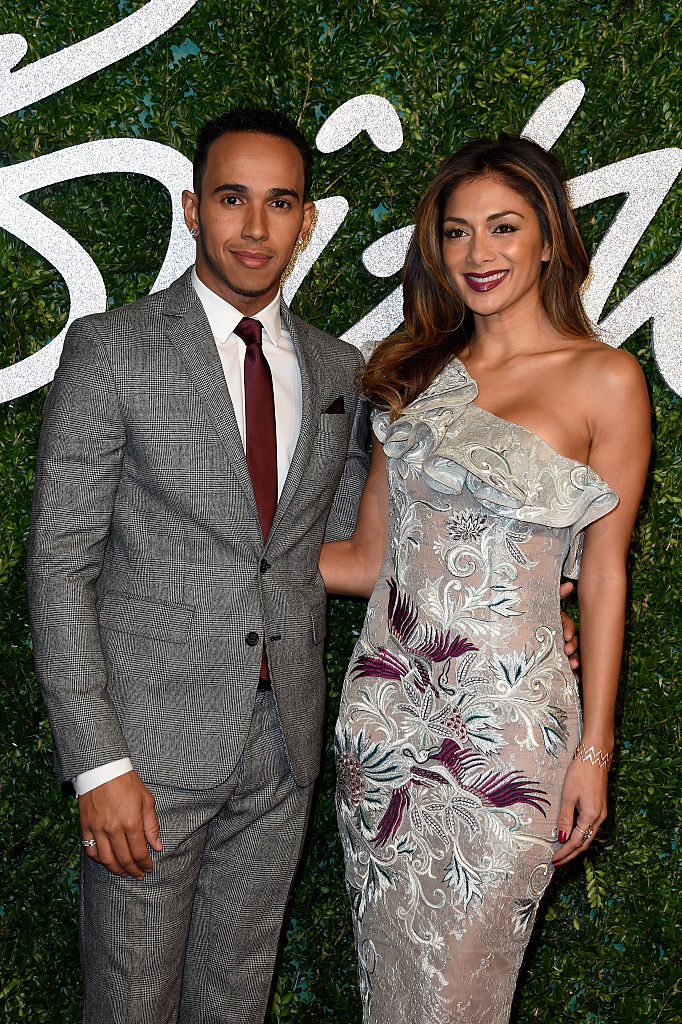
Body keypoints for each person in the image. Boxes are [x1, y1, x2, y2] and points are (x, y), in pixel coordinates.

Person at [26, 108, 370, 1024]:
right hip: (146, 758)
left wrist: (521, 604)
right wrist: (98, 766)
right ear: (190, 208)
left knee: (234, 1003)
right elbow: (59, 566)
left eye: (279, 203)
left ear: (306, 220)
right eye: (232, 199)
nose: (255, 229)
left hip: (281, 752)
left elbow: (338, 552)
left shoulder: (340, 372)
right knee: (131, 1006)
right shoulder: (114, 348)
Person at [320, 135, 650, 1023]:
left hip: (509, 737)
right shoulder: (416, 375)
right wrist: (222, 555)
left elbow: (608, 574)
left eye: (503, 228)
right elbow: (363, 561)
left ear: (549, 237)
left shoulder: (606, 379)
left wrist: (595, 750)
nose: (479, 254)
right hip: (384, 720)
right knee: (391, 987)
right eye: (457, 234)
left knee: (463, 992)